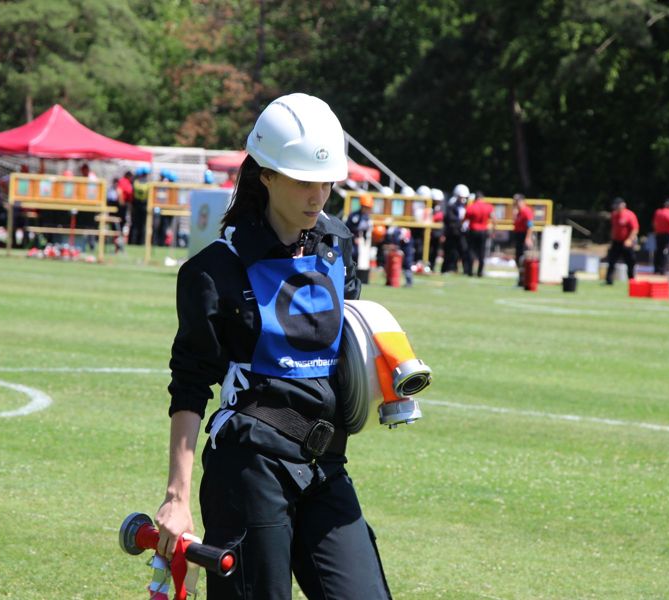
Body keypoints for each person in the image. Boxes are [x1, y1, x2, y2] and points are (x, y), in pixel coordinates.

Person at [155, 92, 391, 599]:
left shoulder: (338, 246)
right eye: (304, 181)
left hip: (326, 464)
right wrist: (176, 497)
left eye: (327, 182)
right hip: (248, 467)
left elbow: (349, 343)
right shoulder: (213, 271)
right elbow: (190, 385)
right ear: (266, 175)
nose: (318, 195)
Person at [605, 197, 639, 284]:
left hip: (626, 242)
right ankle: (609, 280)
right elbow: (614, 228)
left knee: (630, 261)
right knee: (611, 261)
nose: (616, 207)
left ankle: (631, 280)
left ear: (623, 205)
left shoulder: (629, 215)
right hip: (616, 242)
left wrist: (629, 240)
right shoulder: (614, 215)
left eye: (618, 205)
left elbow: (635, 229)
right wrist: (611, 239)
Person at [464, 190, 494, 277]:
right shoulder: (488, 206)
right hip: (484, 231)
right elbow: (494, 218)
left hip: (473, 230)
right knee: (482, 252)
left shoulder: (471, 207)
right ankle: (480, 272)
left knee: (471, 251)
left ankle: (470, 271)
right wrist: (493, 230)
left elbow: (465, 219)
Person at [441, 183, 469, 273]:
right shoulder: (451, 206)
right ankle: (449, 268)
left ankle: (466, 270)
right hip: (453, 233)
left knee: (464, 251)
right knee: (450, 251)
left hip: (462, 233)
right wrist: (460, 223)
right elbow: (449, 220)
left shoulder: (467, 206)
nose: (463, 199)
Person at [511, 193, 534, 286]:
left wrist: (528, 238)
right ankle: (521, 279)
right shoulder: (518, 212)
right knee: (518, 259)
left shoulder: (526, 211)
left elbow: (530, 226)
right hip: (518, 237)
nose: (515, 203)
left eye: (517, 201)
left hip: (524, 236)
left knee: (523, 259)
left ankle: (525, 280)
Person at [345, 193, 373, 263]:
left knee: (356, 255)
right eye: (366, 207)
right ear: (362, 206)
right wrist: (354, 238)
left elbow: (365, 229)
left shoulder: (366, 217)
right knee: (351, 253)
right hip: (349, 239)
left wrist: (365, 238)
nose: (367, 210)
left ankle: (354, 268)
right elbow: (348, 229)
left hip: (356, 241)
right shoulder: (354, 216)